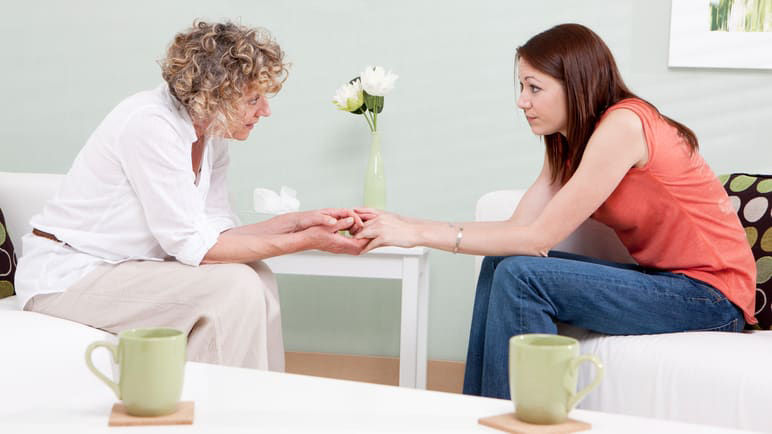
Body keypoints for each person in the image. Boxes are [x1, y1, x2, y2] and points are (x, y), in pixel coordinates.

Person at [354, 23, 757, 399]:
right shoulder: (566, 143)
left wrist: (416, 234)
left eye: (534, 88)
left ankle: (521, 417)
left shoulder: (625, 125)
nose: (521, 101)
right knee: (500, 263)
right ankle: (477, 413)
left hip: (711, 296)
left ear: (577, 85)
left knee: (524, 275)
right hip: (665, 283)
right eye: (521, 86)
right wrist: (404, 223)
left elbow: (537, 240)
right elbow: (519, 226)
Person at [15, 20, 367, 372]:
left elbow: (214, 233)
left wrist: (297, 223)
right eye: (253, 99)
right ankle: (212, 414)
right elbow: (192, 246)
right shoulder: (149, 124)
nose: (265, 111)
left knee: (257, 274)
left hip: (125, 267)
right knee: (233, 287)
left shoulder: (211, 136)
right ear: (214, 97)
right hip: (68, 276)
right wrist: (305, 241)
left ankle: (258, 403)